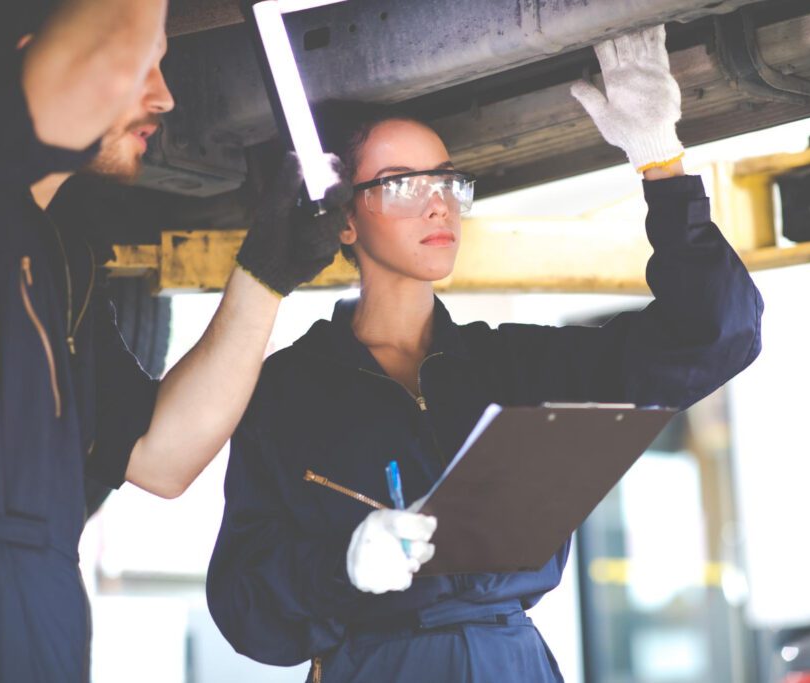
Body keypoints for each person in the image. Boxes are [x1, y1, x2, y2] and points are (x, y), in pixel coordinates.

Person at [206, 25, 763, 682]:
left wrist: (660, 162)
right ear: (344, 220)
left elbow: (716, 334)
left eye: (445, 180)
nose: (438, 203)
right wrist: (345, 565)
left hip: (514, 661)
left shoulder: (517, 368)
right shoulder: (288, 392)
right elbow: (242, 603)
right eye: (402, 183)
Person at [0, 0, 349, 680]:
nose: (165, 96)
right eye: (143, 65)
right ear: (36, 64)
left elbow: (162, 456)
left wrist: (266, 274)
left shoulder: (62, 260)